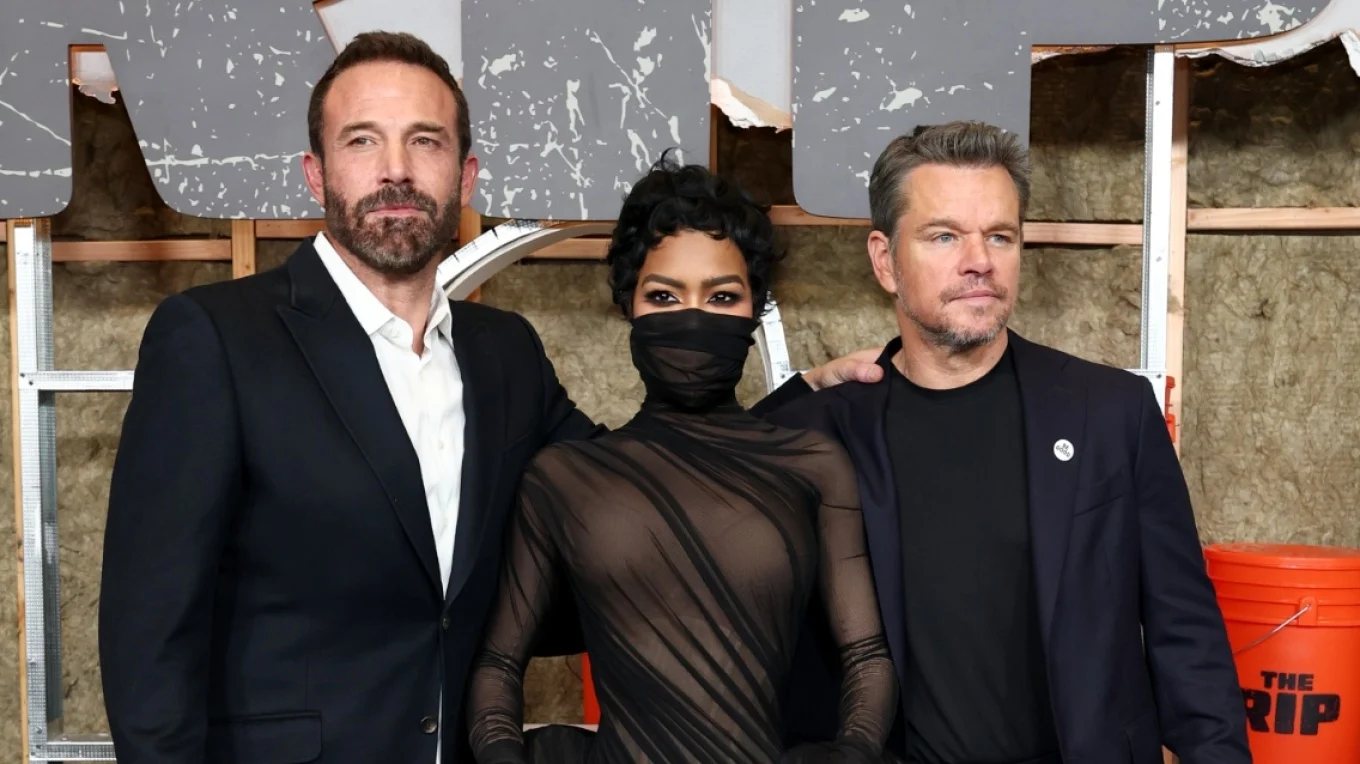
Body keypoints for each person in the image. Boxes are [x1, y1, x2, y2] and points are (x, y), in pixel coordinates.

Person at [96, 31, 879, 764]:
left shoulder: (504, 352)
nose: (396, 170)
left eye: (425, 141)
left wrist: (797, 402)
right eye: (362, 141)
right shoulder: (215, 337)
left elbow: (646, 477)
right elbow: (149, 628)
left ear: (465, 176)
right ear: (316, 173)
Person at [761, 121, 1251, 764]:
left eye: (1000, 235)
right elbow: (686, 486)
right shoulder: (820, 432)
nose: (980, 261)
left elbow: (1185, 632)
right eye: (944, 236)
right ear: (885, 261)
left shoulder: (1111, 412)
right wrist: (799, 389)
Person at [464, 154, 900, 764]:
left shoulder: (813, 466)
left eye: (721, 296)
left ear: (754, 307)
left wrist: (852, 752)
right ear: (628, 305)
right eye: (664, 295)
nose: (693, 319)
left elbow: (867, 656)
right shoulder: (563, 478)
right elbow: (497, 664)